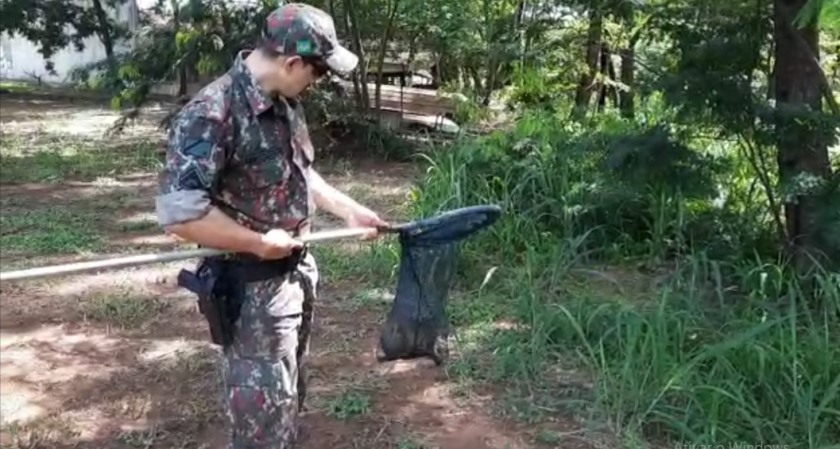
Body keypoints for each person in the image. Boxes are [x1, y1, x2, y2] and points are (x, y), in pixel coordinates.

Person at [154, 3, 387, 448]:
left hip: (295, 276)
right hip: (252, 290)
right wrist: (257, 243)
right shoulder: (211, 112)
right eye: (317, 72)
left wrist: (349, 209)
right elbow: (182, 214)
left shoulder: (284, 103)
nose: (317, 83)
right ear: (292, 62)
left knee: (285, 397)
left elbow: (299, 172)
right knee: (261, 417)